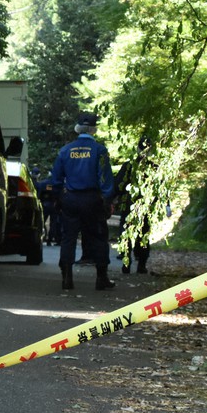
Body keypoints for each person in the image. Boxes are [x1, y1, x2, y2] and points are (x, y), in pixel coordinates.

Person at [51, 112, 116, 291]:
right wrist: (108, 199)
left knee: (68, 238)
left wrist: (57, 198)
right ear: (94, 129)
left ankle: (67, 278)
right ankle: (101, 278)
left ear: (77, 128)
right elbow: (105, 178)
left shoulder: (65, 150)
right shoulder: (99, 150)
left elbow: (56, 178)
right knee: (99, 237)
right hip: (92, 199)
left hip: (71, 199)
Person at [114, 136, 154, 274]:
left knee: (125, 233)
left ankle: (126, 262)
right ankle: (141, 264)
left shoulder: (128, 166)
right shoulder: (153, 167)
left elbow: (118, 184)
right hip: (146, 205)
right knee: (143, 234)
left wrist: (113, 198)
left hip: (128, 203)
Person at [36, 169, 62, 246]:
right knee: (53, 223)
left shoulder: (44, 183)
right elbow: (59, 195)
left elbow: (39, 195)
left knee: (42, 221)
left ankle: (40, 237)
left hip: (45, 204)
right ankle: (49, 240)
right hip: (54, 204)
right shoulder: (57, 183)